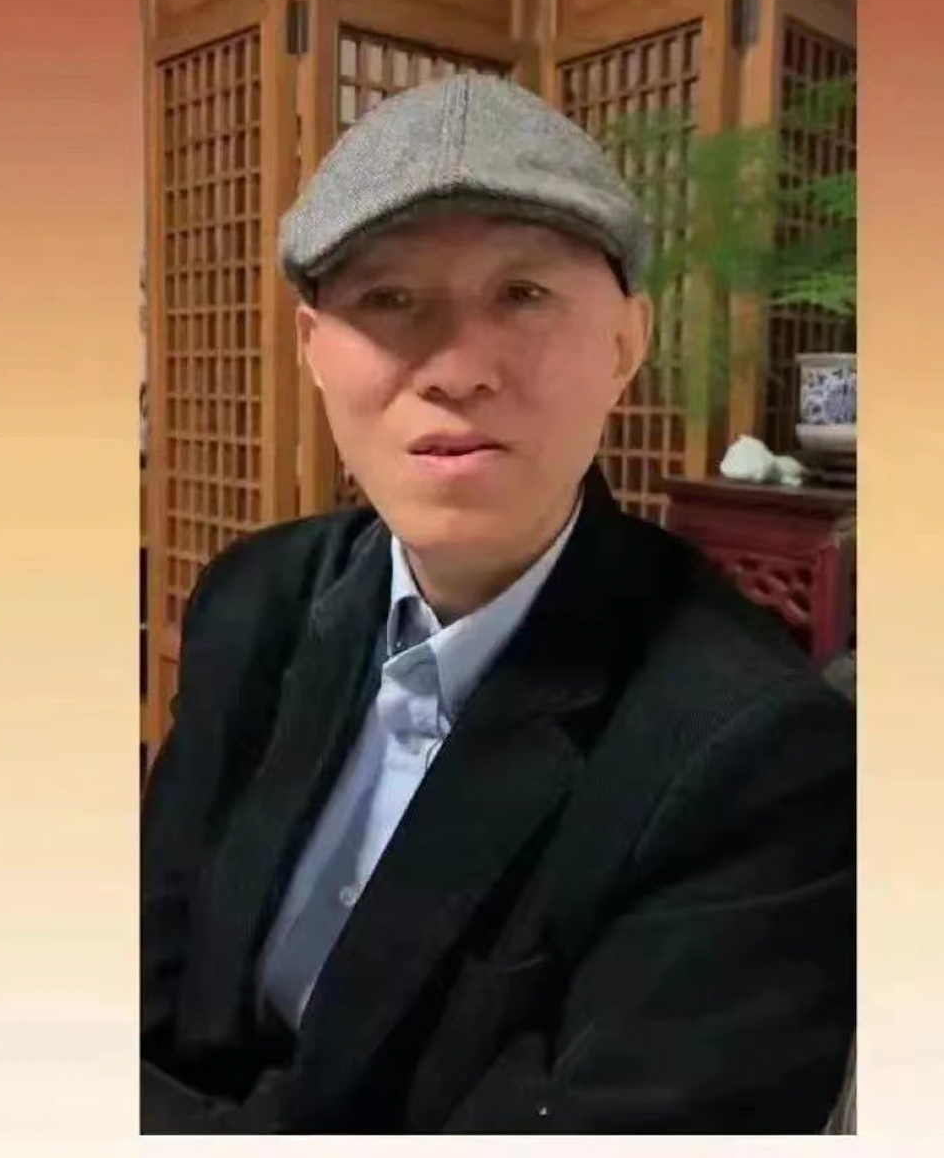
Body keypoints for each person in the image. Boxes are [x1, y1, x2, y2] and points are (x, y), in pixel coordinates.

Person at [141, 74, 855, 1133]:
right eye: (389, 300)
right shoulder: (256, 597)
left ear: (624, 344)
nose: (458, 370)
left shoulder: (758, 755)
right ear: (310, 349)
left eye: (521, 294)